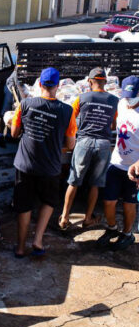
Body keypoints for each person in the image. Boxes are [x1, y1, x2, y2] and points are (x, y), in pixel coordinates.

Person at [11, 68, 77, 257]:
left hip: (25, 165)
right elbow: (71, 144)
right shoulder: (67, 111)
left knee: (23, 206)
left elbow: (14, 133)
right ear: (57, 86)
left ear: (40, 85)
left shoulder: (25, 104)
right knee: (48, 202)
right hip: (50, 167)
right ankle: (38, 239)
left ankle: (21, 247)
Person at [59, 68, 119, 230]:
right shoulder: (114, 100)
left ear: (90, 82)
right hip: (104, 144)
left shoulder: (81, 98)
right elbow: (113, 125)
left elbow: (70, 119)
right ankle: (87, 218)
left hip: (83, 142)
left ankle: (64, 217)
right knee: (95, 184)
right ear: (105, 82)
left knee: (74, 181)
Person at [97, 76, 139, 250]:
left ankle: (127, 233)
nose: (129, 99)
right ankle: (112, 228)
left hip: (134, 169)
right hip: (116, 163)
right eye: (127, 95)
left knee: (129, 205)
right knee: (108, 201)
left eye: (133, 96)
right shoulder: (121, 104)